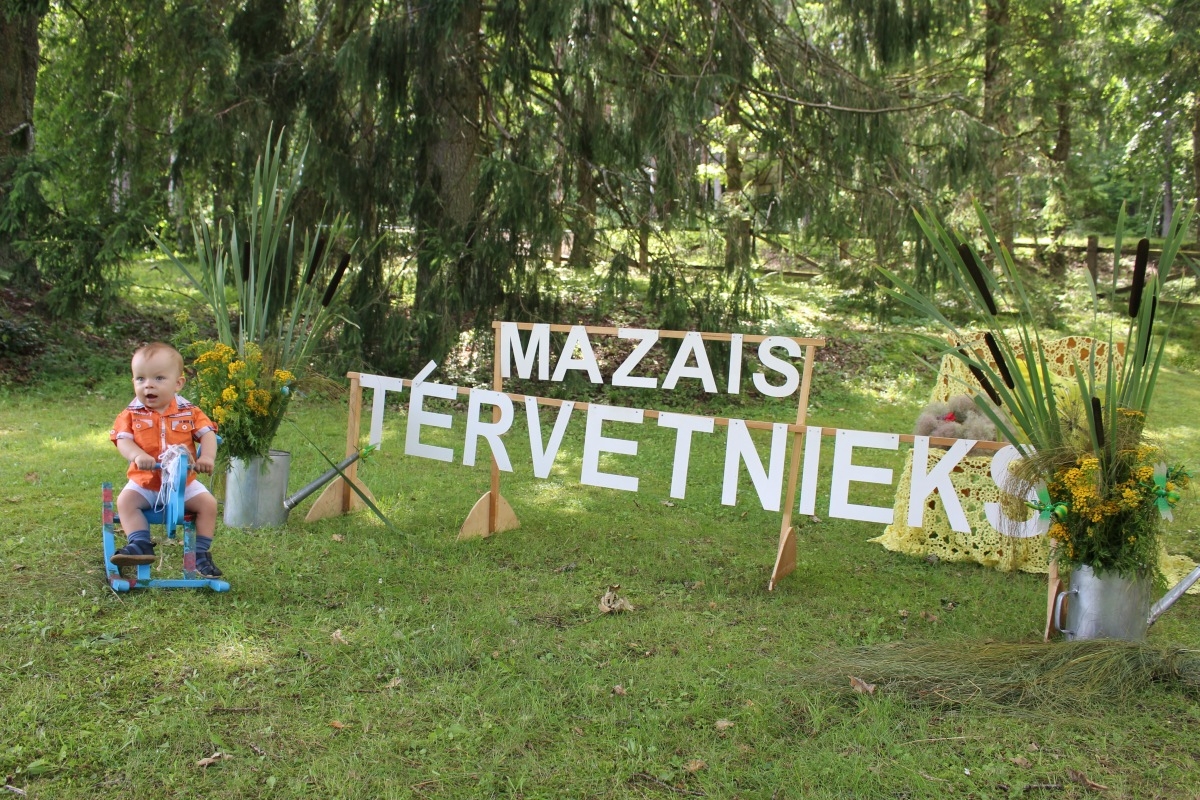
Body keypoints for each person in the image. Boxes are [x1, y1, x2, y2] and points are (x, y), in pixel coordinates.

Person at [109, 342, 222, 577]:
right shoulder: (131, 414)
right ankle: (140, 543)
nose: (148, 384)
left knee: (208, 504)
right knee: (125, 502)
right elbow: (123, 440)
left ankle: (200, 554)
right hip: (145, 481)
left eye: (159, 378)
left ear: (178, 383)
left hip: (184, 482)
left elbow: (208, 434)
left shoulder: (190, 412)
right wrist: (138, 455)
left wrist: (207, 457)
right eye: (140, 379)